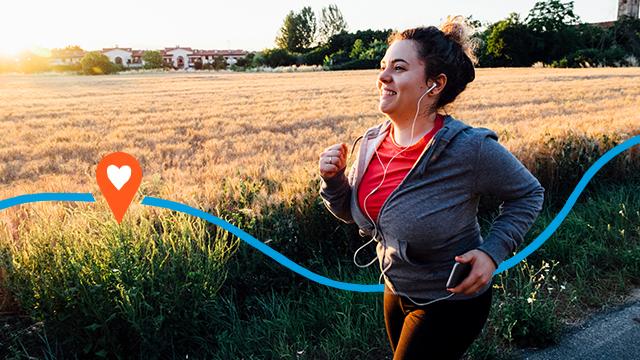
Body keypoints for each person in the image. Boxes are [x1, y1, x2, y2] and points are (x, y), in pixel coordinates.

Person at [317, 15, 545, 359]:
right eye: (382, 66)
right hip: (395, 290)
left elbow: (529, 194)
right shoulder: (370, 142)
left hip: (452, 300)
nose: (382, 77)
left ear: (434, 85)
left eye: (398, 67)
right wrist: (333, 182)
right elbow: (355, 215)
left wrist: (491, 252)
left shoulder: (468, 148)